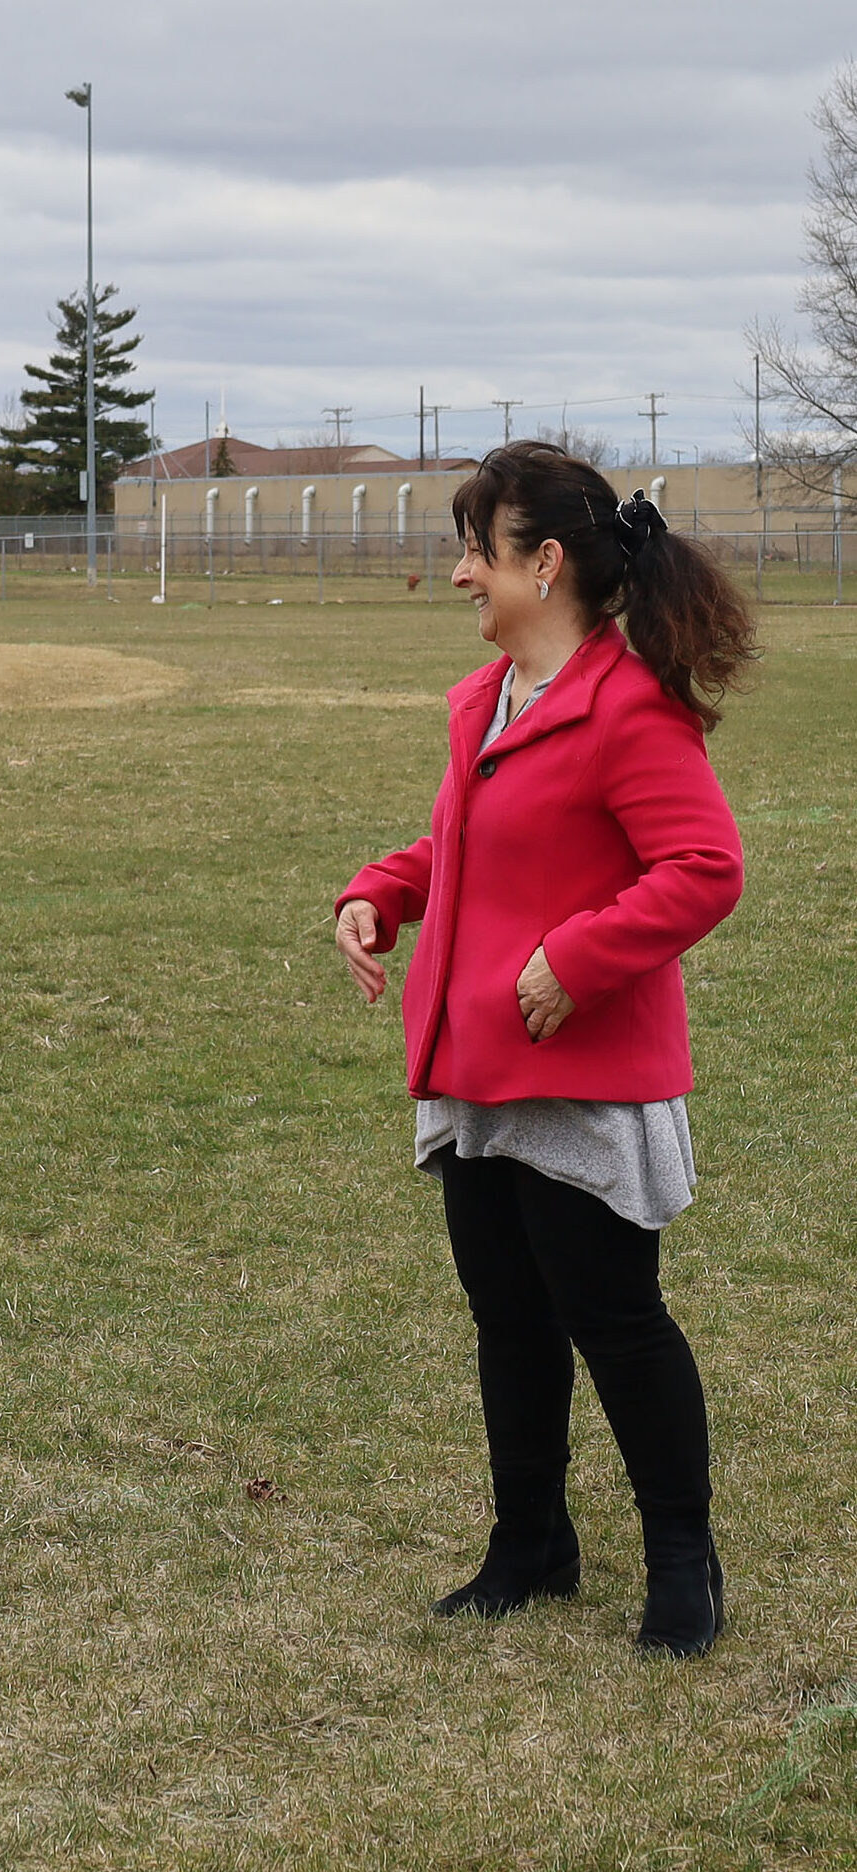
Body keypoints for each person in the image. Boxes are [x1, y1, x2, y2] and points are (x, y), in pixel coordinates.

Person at [334, 440, 755, 1657]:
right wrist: (380, 892)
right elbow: (464, 848)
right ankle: (531, 1542)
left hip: (576, 1081)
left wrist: (574, 960)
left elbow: (704, 870)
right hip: (477, 1073)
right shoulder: (486, 701)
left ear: (545, 562)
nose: (462, 575)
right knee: (506, 1317)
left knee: (615, 1320)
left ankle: (684, 1558)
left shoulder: (630, 708)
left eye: (476, 550)